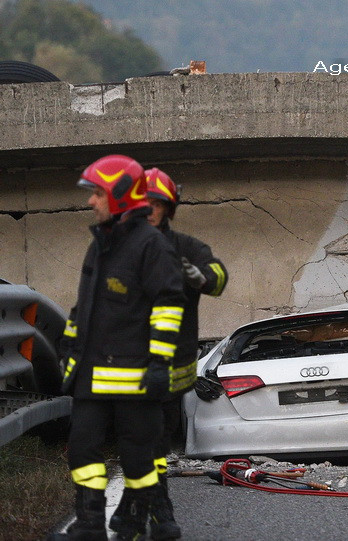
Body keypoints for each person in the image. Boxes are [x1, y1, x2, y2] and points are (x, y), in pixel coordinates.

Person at [53, 155, 185, 541]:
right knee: (82, 451)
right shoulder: (99, 246)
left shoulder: (151, 246)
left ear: (121, 195)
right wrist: (67, 348)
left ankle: (138, 521)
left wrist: (160, 363)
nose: (91, 202)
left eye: (97, 193)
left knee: (139, 461)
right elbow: (84, 307)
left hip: (135, 381)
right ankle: (90, 524)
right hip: (91, 377)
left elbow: (167, 307)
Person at [111, 166, 227, 539]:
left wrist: (199, 276)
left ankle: (133, 513)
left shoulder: (187, 247)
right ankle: (155, 514)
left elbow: (219, 277)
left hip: (173, 371)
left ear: (168, 208)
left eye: (155, 203)